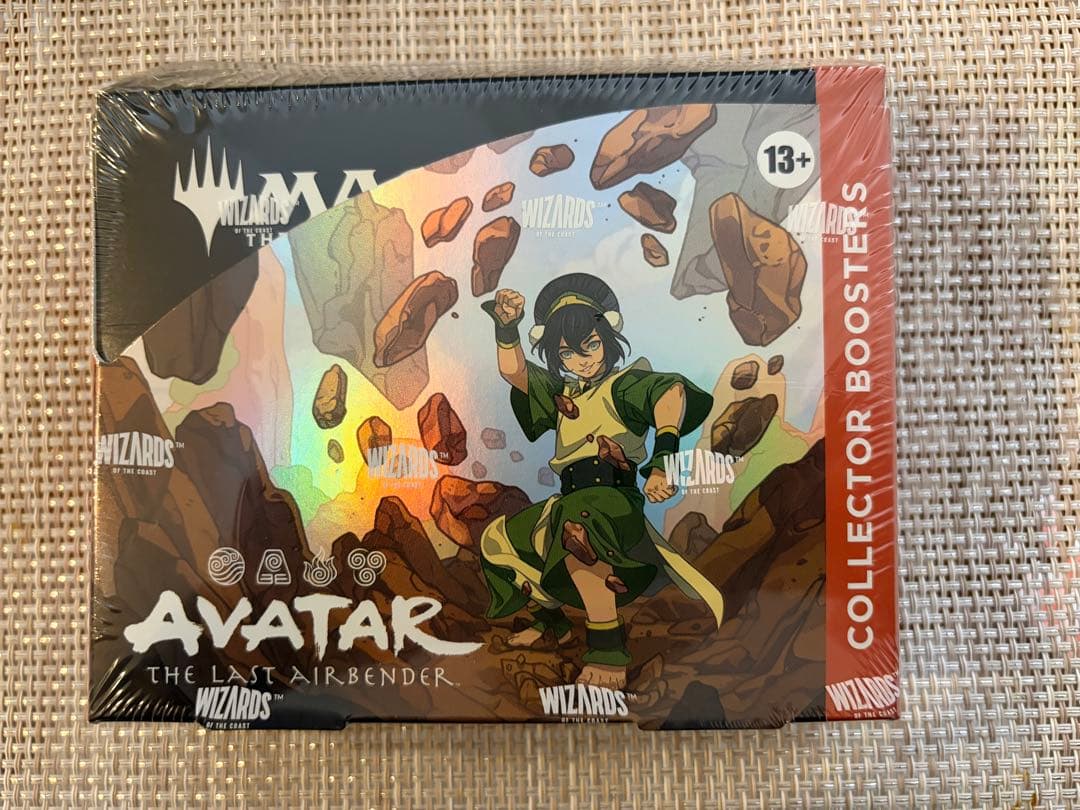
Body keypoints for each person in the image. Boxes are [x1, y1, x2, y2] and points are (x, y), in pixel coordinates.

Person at [478, 273, 725, 690]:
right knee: (497, 542)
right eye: (567, 353)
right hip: (568, 498)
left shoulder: (623, 385)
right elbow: (514, 372)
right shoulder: (564, 392)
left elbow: (671, 395)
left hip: (613, 500)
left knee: (580, 527)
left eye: (590, 346)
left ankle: (608, 650)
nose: (582, 360)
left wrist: (663, 461)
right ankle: (552, 623)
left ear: (608, 338)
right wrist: (506, 326)